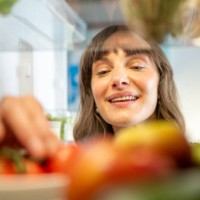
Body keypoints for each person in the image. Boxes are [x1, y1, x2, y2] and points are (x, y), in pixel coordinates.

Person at [0, 25, 185, 158]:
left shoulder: (190, 165)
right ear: (92, 95)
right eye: (103, 71)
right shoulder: (75, 162)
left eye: (136, 66)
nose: (119, 80)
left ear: (161, 85)